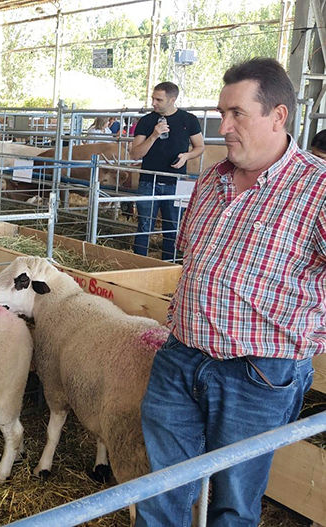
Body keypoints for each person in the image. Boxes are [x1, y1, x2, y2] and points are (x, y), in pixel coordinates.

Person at [135, 58, 326, 526]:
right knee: (159, 488)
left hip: (258, 373)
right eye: (222, 114)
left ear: (278, 116)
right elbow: (192, 261)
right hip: (181, 356)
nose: (225, 127)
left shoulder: (318, 189)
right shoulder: (212, 180)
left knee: (234, 501)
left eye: (237, 114)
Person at [129, 81, 204, 260]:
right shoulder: (146, 122)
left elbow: (200, 147)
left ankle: (168, 265)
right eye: (153, 98)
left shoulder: (189, 120)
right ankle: (139, 263)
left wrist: (187, 156)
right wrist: (154, 135)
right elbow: (135, 154)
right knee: (144, 226)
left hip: (177, 182)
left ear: (172, 100)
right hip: (149, 180)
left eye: (159, 99)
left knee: (172, 228)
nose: (153, 103)